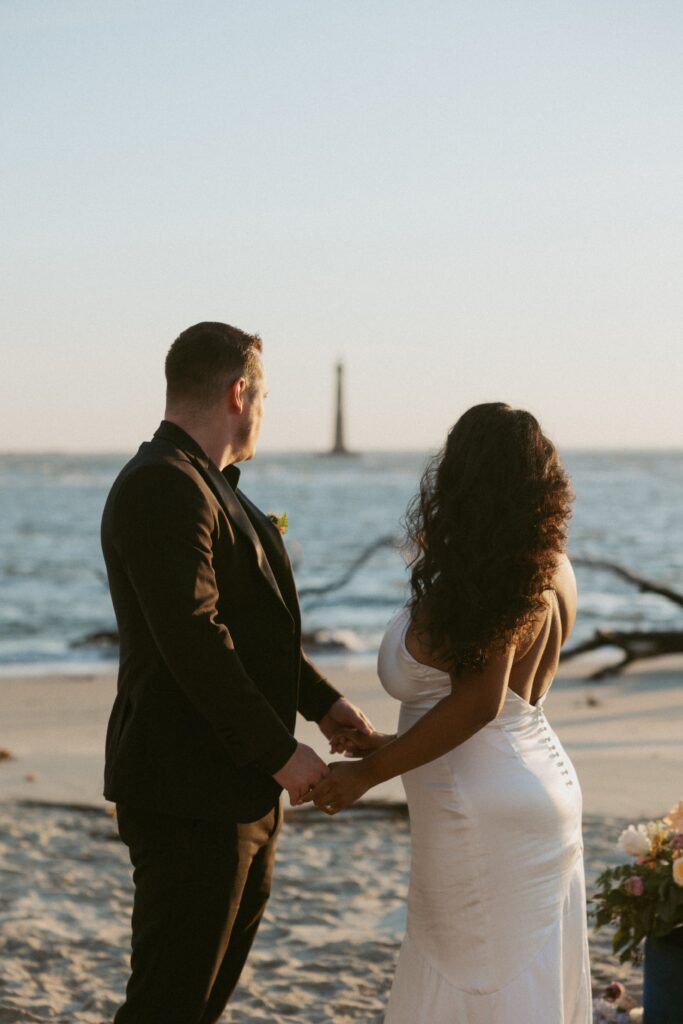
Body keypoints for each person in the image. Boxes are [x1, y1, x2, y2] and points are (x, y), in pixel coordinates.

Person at [101, 321, 373, 1024]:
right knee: (168, 1002)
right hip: (187, 792)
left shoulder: (214, 487)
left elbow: (248, 627)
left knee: (201, 1003)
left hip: (238, 790)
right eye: (263, 397)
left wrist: (319, 701)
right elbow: (193, 638)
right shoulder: (161, 484)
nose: (261, 414)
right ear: (238, 392)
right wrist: (280, 752)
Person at [307, 403, 592, 1022]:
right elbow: (489, 703)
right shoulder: (552, 567)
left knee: (480, 983)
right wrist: (385, 742)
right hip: (537, 783)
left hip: (482, 809)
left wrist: (367, 776)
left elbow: (479, 702)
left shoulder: (488, 578)